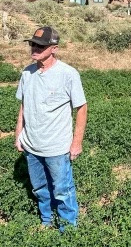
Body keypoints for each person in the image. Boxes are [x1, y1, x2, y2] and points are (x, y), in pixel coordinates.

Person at [14, 26, 88, 230]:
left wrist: (76, 143)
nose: (34, 48)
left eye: (40, 45)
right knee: (39, 188)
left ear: (54, 48)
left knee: (62, 190)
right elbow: (23, 105)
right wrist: (18, 134)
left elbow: (81, 108)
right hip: (31, 146)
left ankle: (68, 229)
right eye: (32, 44)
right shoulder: (27, 73)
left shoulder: (68, 74)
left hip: (56, 147)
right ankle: (46, 221)